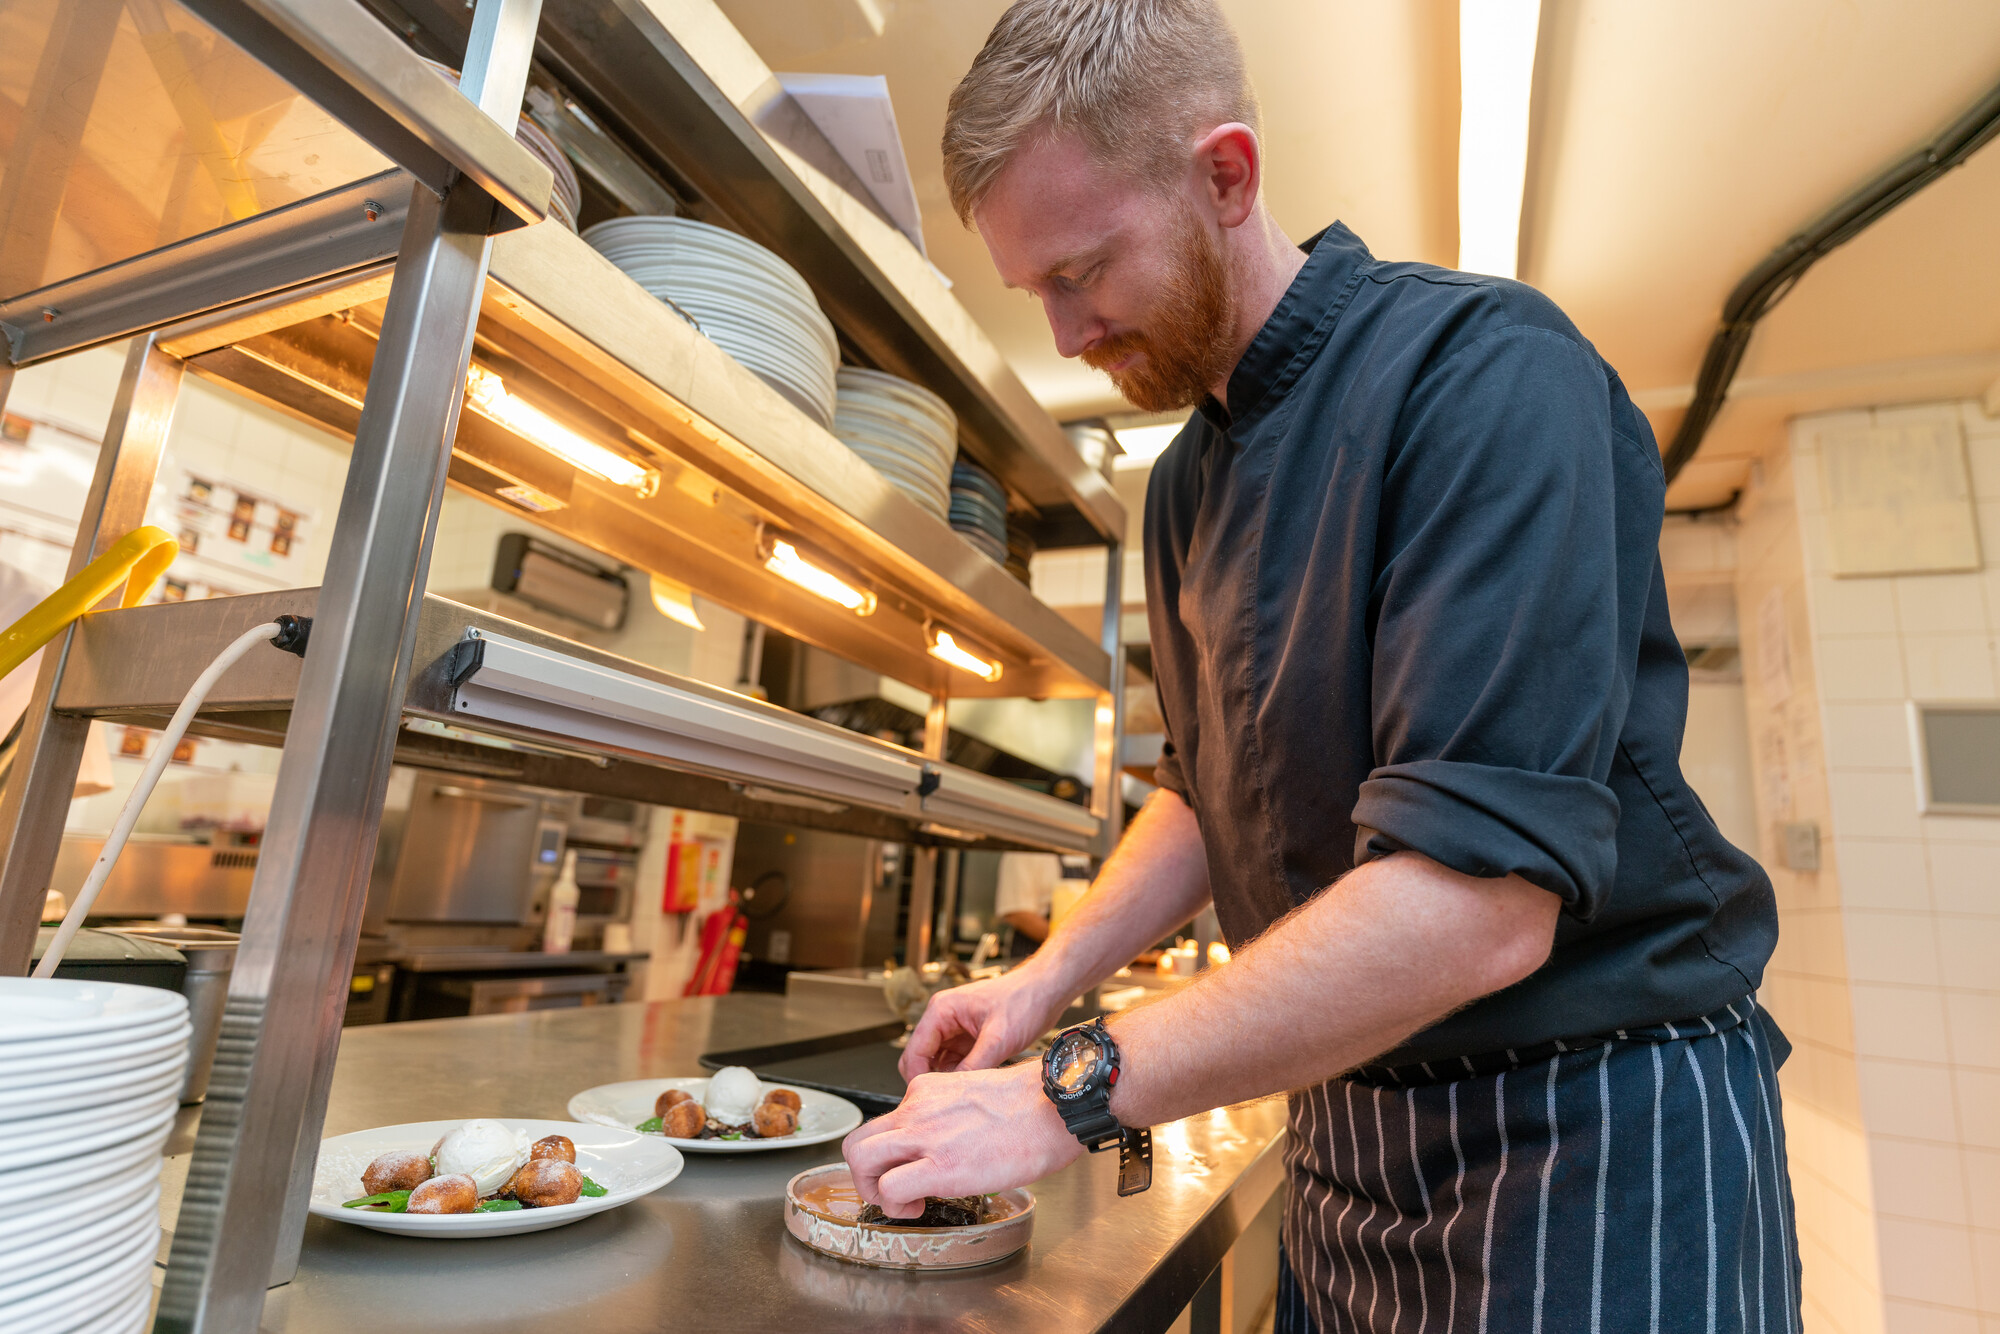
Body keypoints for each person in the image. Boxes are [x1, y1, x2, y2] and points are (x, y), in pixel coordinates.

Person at [841, 2, 1799, 1329]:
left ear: (1224, 175)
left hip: (1585, 1126)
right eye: (1034, 292)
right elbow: (1201, 786)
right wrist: (1039, 980)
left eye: (1081, 271)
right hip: (1348, 1127)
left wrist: (1072, 1085)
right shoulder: (1182, 488)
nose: (1062, 335)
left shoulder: (1484, 374)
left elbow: (1478, 901)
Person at [991, 849, 1090, 955]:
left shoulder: (1087, 852)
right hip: (1033, 954)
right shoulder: (1024, 851)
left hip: (1078, 952)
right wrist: (1069, 942)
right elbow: (1017, 913)